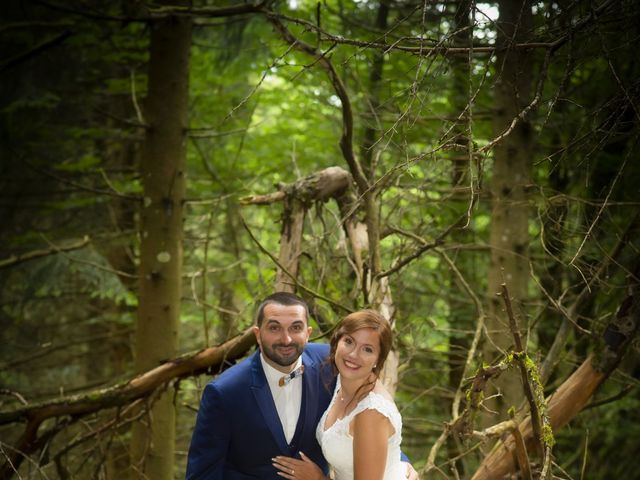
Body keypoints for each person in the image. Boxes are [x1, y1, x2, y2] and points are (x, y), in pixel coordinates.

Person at [186, 293, 416, 480]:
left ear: (308, 334)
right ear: (258, 334)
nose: (286, 339)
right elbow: (203, 473)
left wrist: (400, 464)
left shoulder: (335, 364)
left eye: (295, 328)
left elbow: (374, 420)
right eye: (274, 328)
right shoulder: (226, 392)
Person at [272, 310, 407, 480]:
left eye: (367, 349)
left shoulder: (371, 414)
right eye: (349, 341)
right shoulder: (341, 382)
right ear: (337, 342)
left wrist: (318, 479)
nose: (353, 354)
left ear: (378, 360)